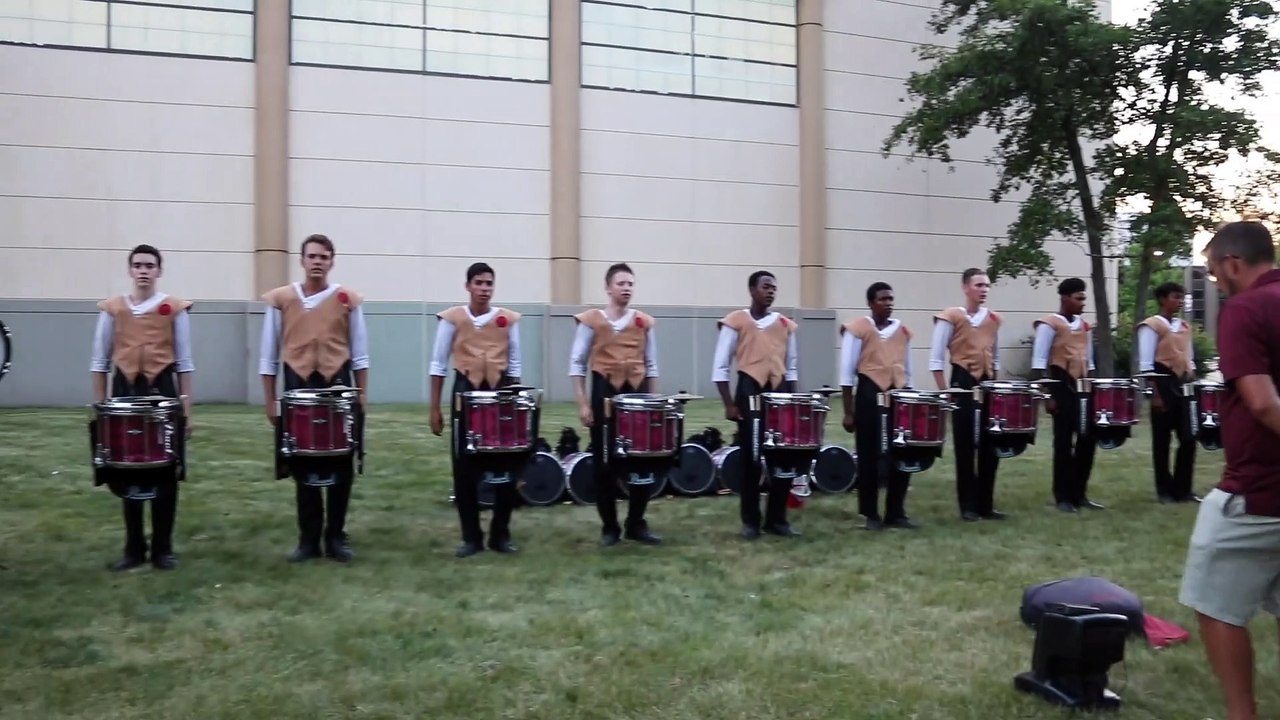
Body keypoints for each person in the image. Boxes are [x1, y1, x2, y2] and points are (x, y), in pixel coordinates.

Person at [1178, 220, 1280, 720]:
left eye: (1215, 271)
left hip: (1257, 493)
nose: (1216, 282)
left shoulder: (1244, 309)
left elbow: (1262, 403)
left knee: (1213, 602)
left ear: (1233, 264)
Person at [259, 234, 369, 563]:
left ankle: (335, 535)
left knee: (340, 462)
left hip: (338, 385)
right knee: (302, 461)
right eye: (312, 256)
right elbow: (268, 357)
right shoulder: (281, 300)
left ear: (332, 261)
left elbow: (360, 354)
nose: (317, 262)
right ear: (302, 260)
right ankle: (308, 539)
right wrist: (270, 401)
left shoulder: (348, 300)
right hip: (297, 385)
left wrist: (362, 397)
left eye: (324, 256)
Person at [90, 244, 193, 571]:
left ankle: (163, 548)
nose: (144, 270)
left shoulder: (174, 309)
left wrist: (186, 410)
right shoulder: (113, 309)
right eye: (138, 265)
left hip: (162, 390)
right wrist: (100, 407)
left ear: (159, 270)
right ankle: (134, 548)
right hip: (123, 392)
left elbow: (185, 363)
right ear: (130, 270)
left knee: (165, 467)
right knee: (127, 466)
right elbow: (99, 361)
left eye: (150, 265)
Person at [430, 262, 525, 558]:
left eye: (489, 284)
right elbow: (438, 363)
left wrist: (515, 400)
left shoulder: (507, 320)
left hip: (500, 393)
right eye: (479, 283)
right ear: (468, 286)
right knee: (464, 468)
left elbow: (515, 363)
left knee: (505, 465)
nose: (484, 289)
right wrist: (435, 408)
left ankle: (501, 533)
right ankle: (471, 536)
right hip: (465, 394)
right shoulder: (452, 319)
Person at [569, 262, 663, 547]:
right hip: (604, 394)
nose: (626, 288)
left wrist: (652, 404)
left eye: (630, 284)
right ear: (608, 287)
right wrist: (584, 404)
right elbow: (577, 363)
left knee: (641, 462)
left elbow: (652, 364)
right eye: (621, 283)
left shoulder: (643, 322)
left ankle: (636, 522)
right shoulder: (592, 320)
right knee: (605, 462)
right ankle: (609, 526)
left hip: (637, 395)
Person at [713, 270, 801, 539]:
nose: (771, 291)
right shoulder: (736, 321)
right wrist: (729, 404)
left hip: (780, 393)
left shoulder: (785, 324)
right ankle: (750, 520)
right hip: (749, 390)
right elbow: (721, 366)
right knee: (750, 458)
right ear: (752, 290)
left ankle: (777, 519)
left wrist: (793, 400)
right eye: (765, 286)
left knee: (783, 457)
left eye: (774, 287)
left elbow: (792, 366)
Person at [929, 267, 1006, 522]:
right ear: (965, 288)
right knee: (964, 445)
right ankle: (968, 505)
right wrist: (945, 392)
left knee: (990, 442)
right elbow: (936, 359)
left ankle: (986, 503)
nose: (983, 290)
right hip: (961, 380)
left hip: (986, 383)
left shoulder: (993, 319)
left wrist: (994, 382)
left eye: (986, 286)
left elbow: (995, 357)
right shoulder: (951, 317)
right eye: (978, 285)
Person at [841, 282, 917, 530]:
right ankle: (871, 513)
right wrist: (849, 411)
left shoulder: (902, 331)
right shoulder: (858, 329)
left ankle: (896, 511)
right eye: (883, 299)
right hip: (868, 393)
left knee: (902, 453)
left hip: (897, 394)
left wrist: (909, 394)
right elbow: (846, 373)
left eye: (891, 299)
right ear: (871, 303)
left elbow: (908, 368)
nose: (888, 303)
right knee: (869, 454)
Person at [1030, 277, 1100, 513]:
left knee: (1087, 438)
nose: (1082, 303)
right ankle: (1062, 496)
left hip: (1082, 386)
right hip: (1060, 384)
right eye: (1078, 298)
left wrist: (1092, 385)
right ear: (1065, 298)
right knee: (1063, 442)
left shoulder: (1084, 326)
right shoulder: (1049, 324)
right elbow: (1039, 363)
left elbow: (1089, 360)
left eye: (1083, 298)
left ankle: (1080, 492)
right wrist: (1047, 394)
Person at [1137, 281, 1199, 504]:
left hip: (1182, 383)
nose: (1180, 301)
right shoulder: (1151, 326)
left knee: (1189, 437)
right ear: (1163, 299)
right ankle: (1164, 490)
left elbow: (1188, 357)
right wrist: (1155, 394)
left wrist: (1191, 380)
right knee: (1162, 441)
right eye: (1175, 296)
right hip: (1162, 383)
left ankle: (1183, 489)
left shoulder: (1183, 326)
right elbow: (1146, 364)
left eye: (1182, 297)